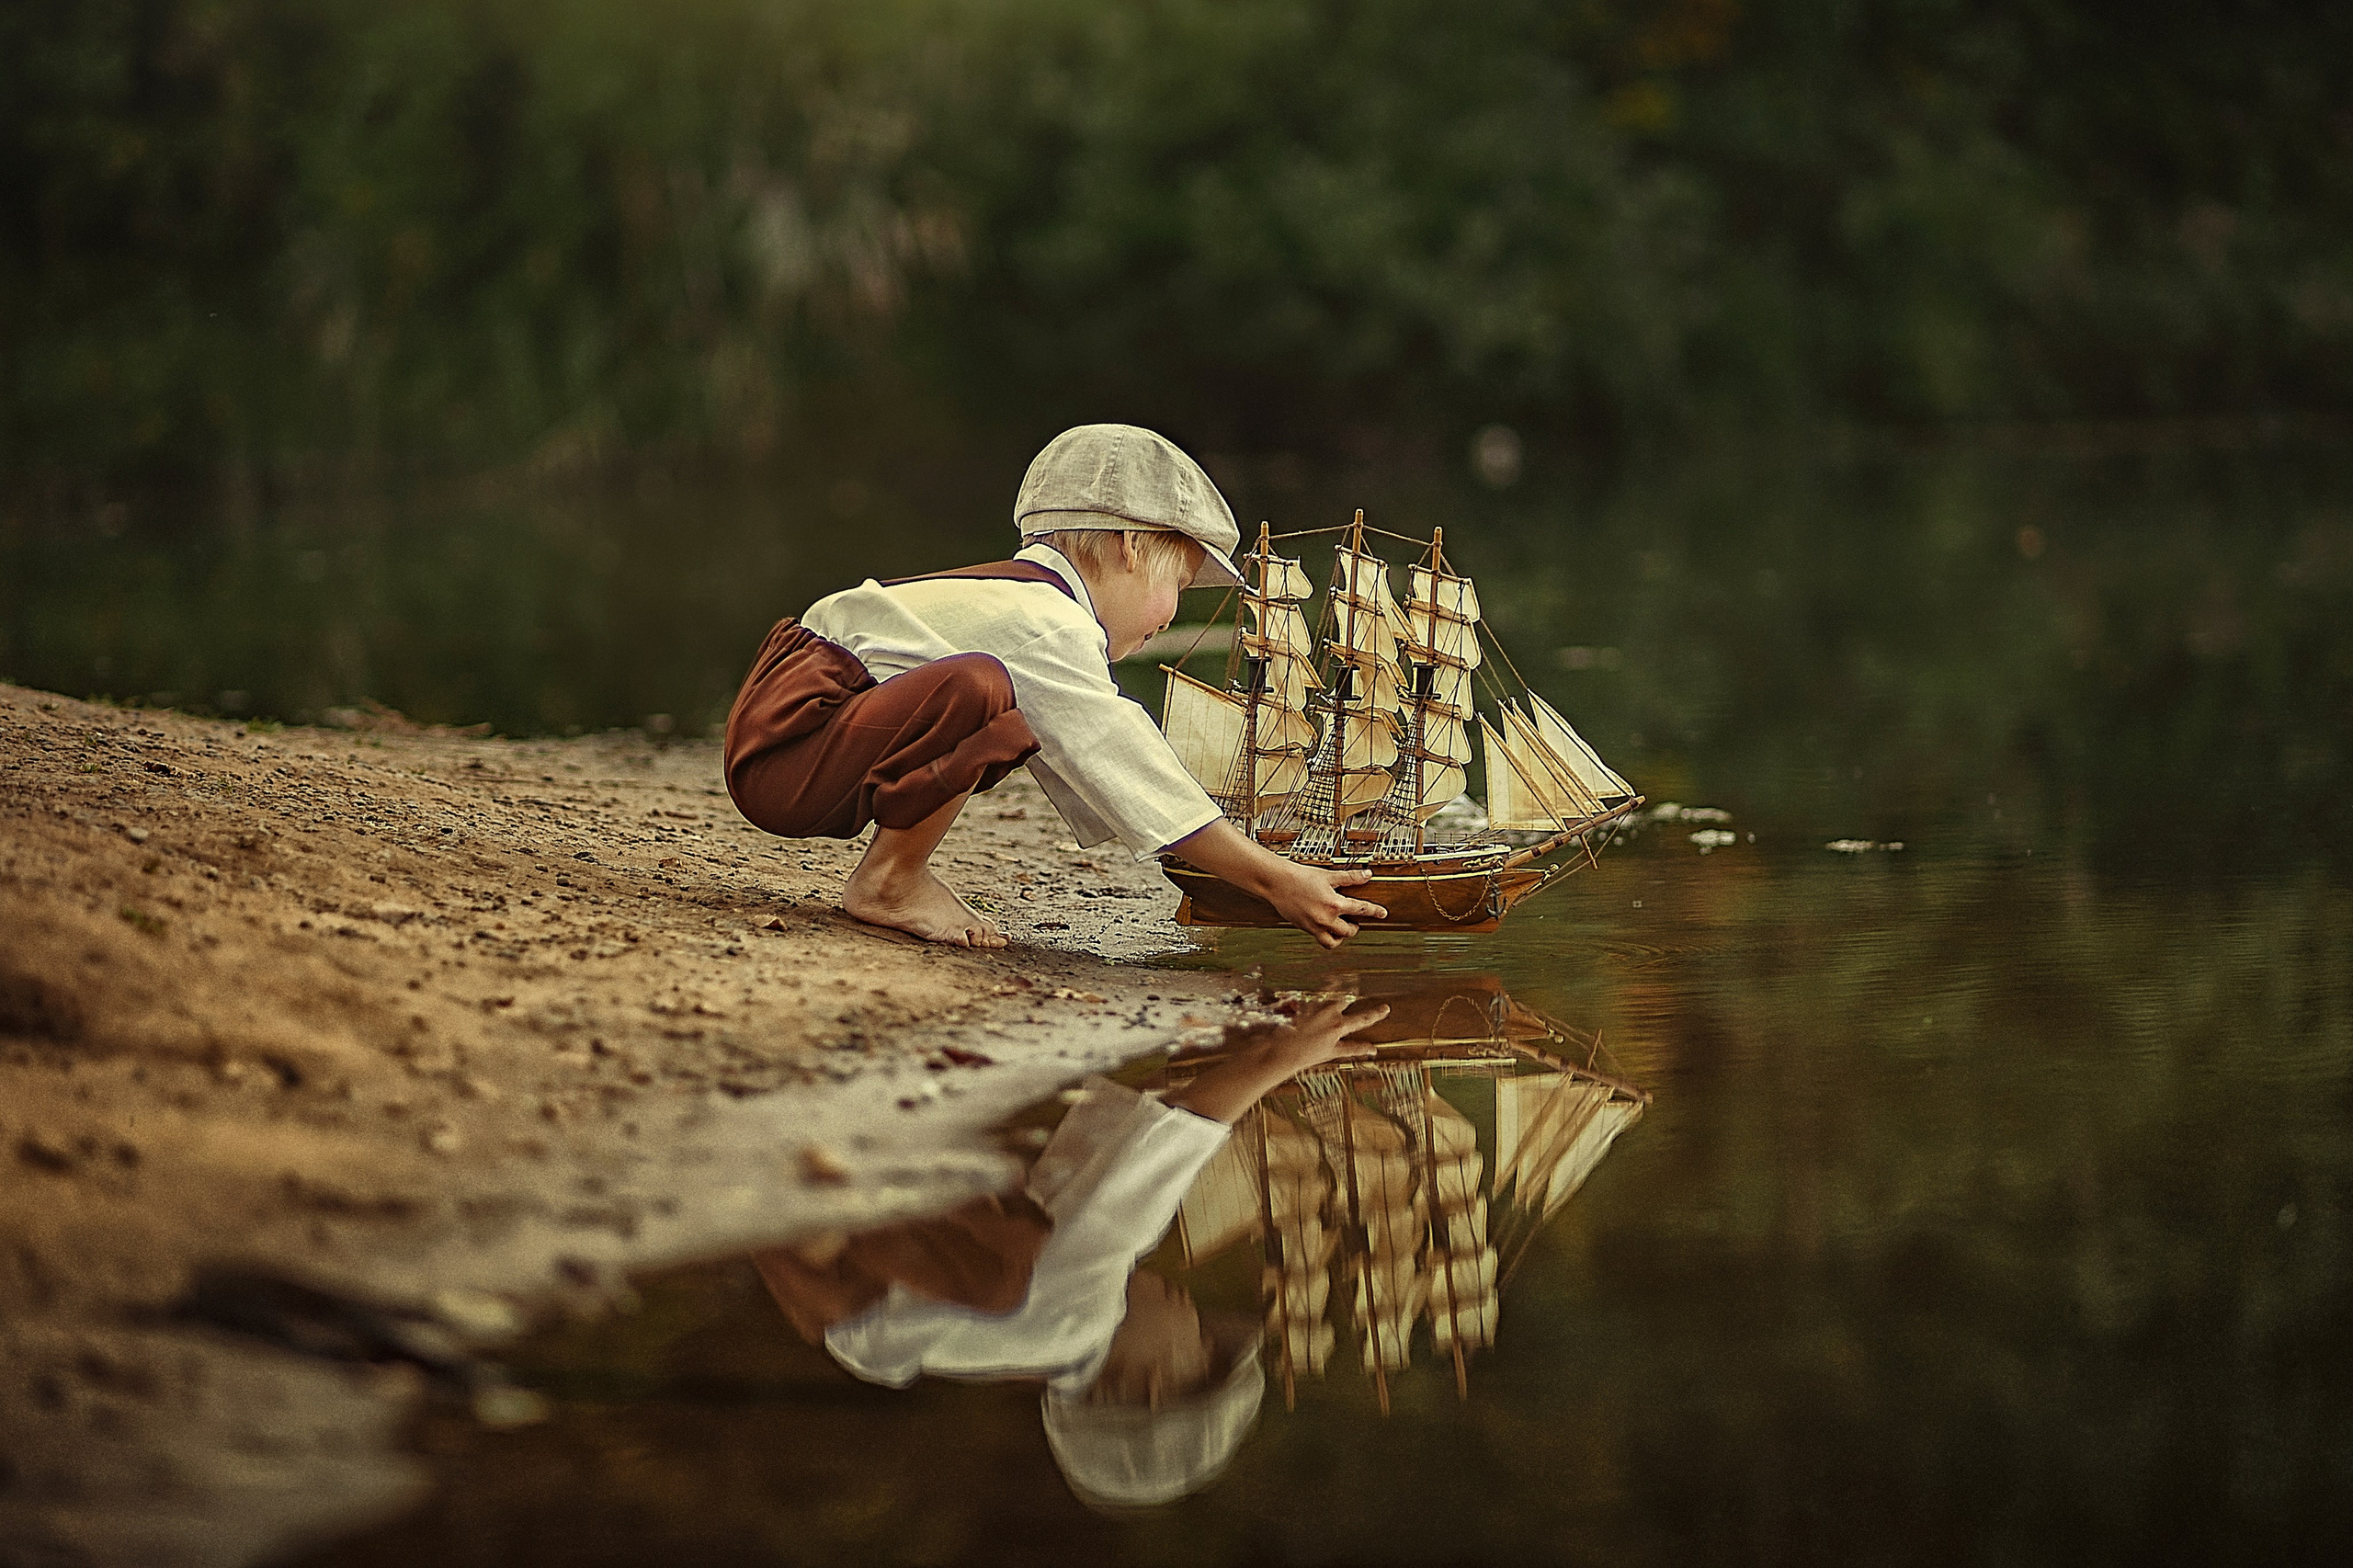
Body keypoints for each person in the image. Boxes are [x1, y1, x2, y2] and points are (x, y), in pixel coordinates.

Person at [722, 423, 1388, 949]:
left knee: (1004, 705)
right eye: (1178, 586)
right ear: (1130, 547)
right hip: (791, 744)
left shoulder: (1020, 605)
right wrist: (1274, 880)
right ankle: (890, 882)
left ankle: (893, 877)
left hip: (798, 728)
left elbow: (1082, 748)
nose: (1170, 617)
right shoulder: (1045, 622)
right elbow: (1119, 749)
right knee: (983, 690)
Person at [752, 996, 1389, 1508]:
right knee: (1018, 1221)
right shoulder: (1041, 1332)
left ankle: (827, 1157)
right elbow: (1106, 1146)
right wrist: (1219, 1042)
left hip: (850, 1270)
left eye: (1198, 1337)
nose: (1190, 1306)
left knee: (1017, 1237)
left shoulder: (1076, 1323)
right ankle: (824, 1168)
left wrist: (1284, 1057)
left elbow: (1162, 1151)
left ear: (1151, 1385)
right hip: (844, 1305)